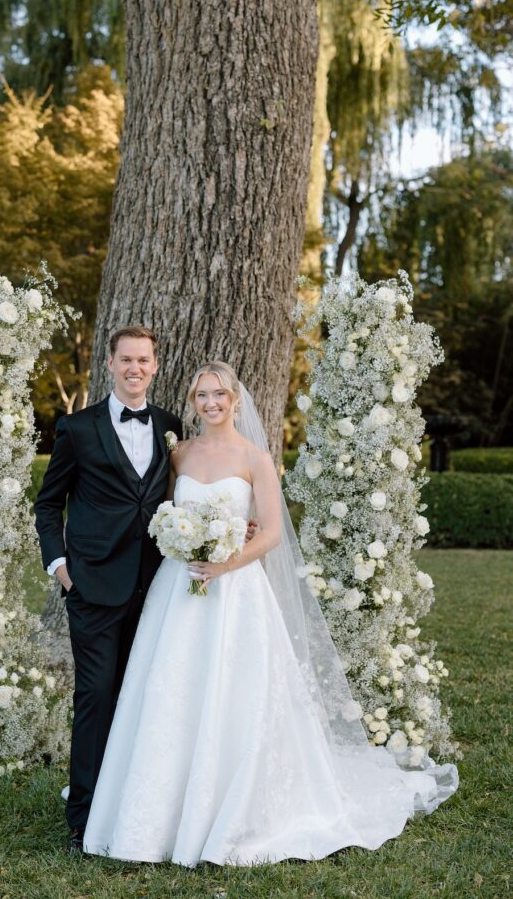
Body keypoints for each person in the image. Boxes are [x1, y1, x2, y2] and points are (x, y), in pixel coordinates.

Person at [83, 361, 458, 866]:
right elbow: (161, 513)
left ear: (236, 400)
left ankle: (228, 807)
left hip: (234, 592)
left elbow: (273, 534)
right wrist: (181, 541)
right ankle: (157, 813)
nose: (210, 403)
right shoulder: (178, 455)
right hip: (177, 589)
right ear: (192, 401)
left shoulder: (256, 459)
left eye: (219, 394)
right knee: (171, 691)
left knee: (235, 695)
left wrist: (224, 562)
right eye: (201, 395)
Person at [34, 326, 182, 852]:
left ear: (156, 366)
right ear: (111, 364)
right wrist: (60, 566)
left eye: (144, 360)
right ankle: (84, 817)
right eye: (126, 360)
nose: (135, 368)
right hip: (92, 583)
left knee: (144, 695)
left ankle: (137, 805)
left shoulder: (171, 426)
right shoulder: (77, 428)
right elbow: (48, 503)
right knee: (95, 695)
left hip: (158, 586)